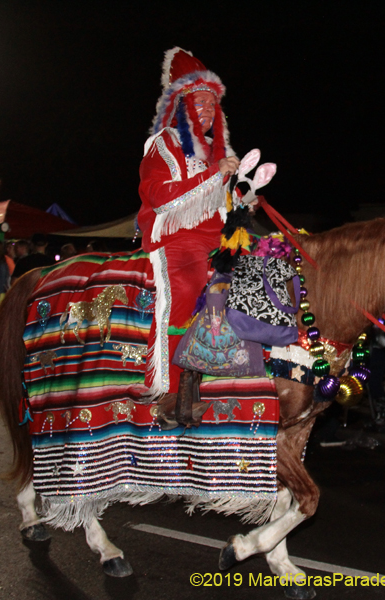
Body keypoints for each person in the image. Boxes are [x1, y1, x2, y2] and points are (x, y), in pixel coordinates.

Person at [136, 46, 243, 421]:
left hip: (216, 241)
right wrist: (215, 176)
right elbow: (159, 197)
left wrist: (242, 198)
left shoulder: (217, 153)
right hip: (176, 239)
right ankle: (168, 391)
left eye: (211, 105)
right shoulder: (164, 144)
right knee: (187, 286)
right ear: (180, 106)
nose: (206, 112)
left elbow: (224, 202)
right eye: (198, 104)